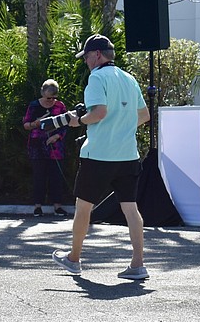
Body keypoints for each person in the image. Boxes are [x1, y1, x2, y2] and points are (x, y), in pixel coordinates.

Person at [52, 34, 150, 280]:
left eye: (86, 56)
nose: (85, 61)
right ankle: (138, 265)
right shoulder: (129, 78)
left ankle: (74, 259)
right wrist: (122, 127)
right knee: (131, 209)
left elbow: (99, 113)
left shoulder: (96, 77)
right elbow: (144, 115)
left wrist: (78, 121)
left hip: (98, 154)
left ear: (96, 54)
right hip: (127, 154)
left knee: (83, 207)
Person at [22, 79, 68, 217]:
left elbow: (66, 124)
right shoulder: (34, 105)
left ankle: (57, 206)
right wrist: (35, 124)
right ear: (42, 93)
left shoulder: (60, 106)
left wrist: (57, 137)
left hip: (55, 146)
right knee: (39, 176)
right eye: (48, 98)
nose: (51, 101)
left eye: (54, 98)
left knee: (56, 177)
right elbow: (26, 124)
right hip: (37, 145)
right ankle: (37, 206)